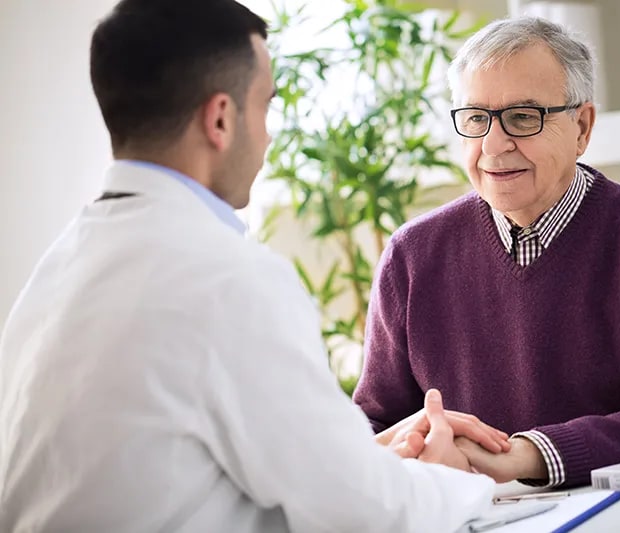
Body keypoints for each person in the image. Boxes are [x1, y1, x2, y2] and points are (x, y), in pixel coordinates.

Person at [0, 1, 512, 531]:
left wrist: (356, 458)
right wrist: (458, 480)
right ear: (221, 118)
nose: (268, 136)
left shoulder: (56, 271)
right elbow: (366, 514)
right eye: (265, 107)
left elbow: (180, 472)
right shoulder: (227, 276)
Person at [353, 15, 620, 488]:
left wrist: (525, 455)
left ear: (582, 127)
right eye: (475, 119)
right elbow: (373, 425)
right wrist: (403, 445)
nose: (493, 144)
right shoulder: (411, 255)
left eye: (524, 117)